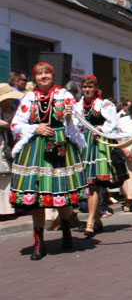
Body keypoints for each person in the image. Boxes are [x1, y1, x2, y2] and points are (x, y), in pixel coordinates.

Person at [10, 62, 87, 260]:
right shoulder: (28, 98)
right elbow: (16, 124)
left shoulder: (64, 95)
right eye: (39, 74)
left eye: (46, 73)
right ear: (34, 78)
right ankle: (39, 241)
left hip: (61, 147)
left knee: (62, 194)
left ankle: (66, 230)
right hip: (36, 151)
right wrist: (36, 128)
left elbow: (79, 124)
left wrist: (70, 118)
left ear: (52, 76)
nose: (43, 76)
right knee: (37, 198)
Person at [74, 75, 127, 236]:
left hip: (97, 145)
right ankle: (97, 219)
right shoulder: (78, 105)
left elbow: (113, 122)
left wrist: (101, 130)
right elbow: (73, 124)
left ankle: (89, 222)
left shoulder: (103, 104)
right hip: (83, 144)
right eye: (84, 87)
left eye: (90, 87)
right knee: (87, 184)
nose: (87, 90)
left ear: (96, 88)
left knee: (94, 184)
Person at [0, 84, 22, 218]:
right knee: (3, 176)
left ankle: (7, 208)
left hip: (5, 144)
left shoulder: (6, 109)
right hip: (1, 145)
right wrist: (10, 125)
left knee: (6, 176)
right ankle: (4, 210)